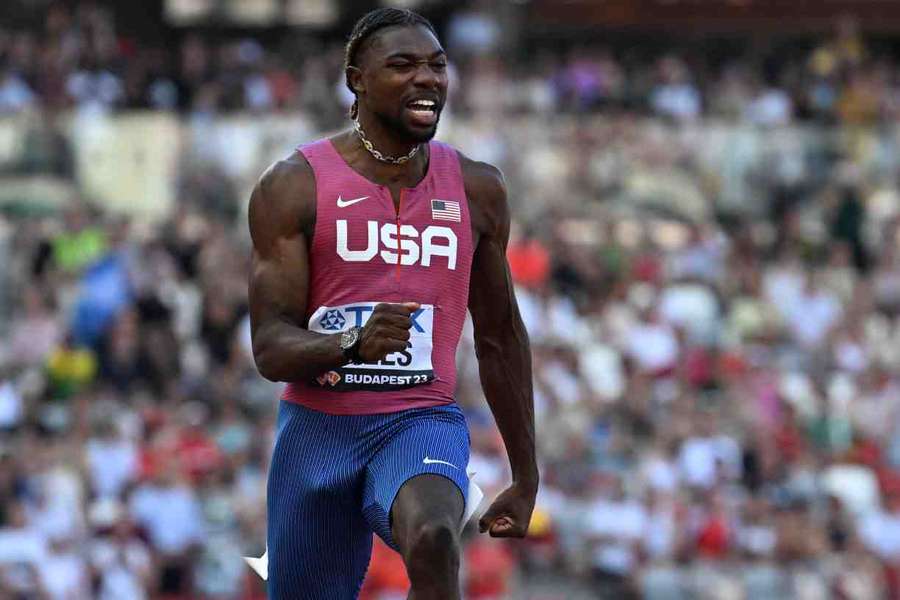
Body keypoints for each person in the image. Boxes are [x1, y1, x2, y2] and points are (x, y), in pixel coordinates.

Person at [247, 8, 537, 599]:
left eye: (436, 66)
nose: (427, 79)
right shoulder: (294, 185)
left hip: (419, 418)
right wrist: (348, 342)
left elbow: (501, 337)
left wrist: (527, 475)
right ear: (356, 78)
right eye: (402, 66)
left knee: (434, 537)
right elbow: (269, 348)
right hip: (317, 427)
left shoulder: (478, 189)